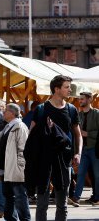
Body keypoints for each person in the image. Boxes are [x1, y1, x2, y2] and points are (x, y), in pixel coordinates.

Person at [27, 75, 82, 221]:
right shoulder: (41, 109)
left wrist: (78, 153)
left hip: (64, 161)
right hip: (43, 161)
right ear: (56, 89)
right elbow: (31, 136)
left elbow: (78, 135)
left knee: (62, 205)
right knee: (42, 204)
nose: (70, 90)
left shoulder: (71, 109)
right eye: (67, 87)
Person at [0, 103, 30, 221]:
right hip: (6, 169)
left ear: (12, 113)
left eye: (5, 111)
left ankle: (25, 219)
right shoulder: (8, 126)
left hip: (15, 168)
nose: (3, 113)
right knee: (8, 195)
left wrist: (20, 167)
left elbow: (23, 149)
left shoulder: (20, 127)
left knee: (19, 196)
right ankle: (10, 219)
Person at [71, 91, 99, 206]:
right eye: (79, 99)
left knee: (97, 175)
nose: (80, 101)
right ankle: (76, 198)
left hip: (95, 149)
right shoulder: (79, 115)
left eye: (82, 99)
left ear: (89, 99)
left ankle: (97, 198)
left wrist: (88, 134)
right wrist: (76, 151)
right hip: (83, 149)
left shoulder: (97, 114)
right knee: (81, 173)